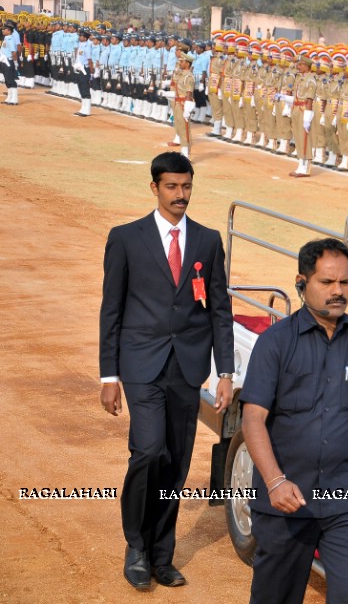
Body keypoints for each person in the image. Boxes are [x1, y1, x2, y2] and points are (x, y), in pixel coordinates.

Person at [99, 152, 235, 590]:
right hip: (141, 364)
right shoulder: (126, 238)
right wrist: (108, 376)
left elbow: (220, 310)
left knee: (175, 462)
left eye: (187, 186)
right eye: (172, 187)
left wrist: (226, 372)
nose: (181, 195)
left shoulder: (208, 240)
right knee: (149, 450)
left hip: (187, 368)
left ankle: (162, 554)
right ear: (154, 188)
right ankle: (135, 545)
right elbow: (111, 309)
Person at [240, 238, 348, 604]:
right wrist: (275, 482)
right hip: (286, 502)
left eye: (345, 282)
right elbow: (252, 419)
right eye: (327, 283)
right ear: (301, 282)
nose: (338, 291)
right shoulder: (275, 343)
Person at [167, 52, 196, 158]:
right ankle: (183, 152)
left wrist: (187, 110)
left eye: (182, 61)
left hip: (184, 104)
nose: (180, 63)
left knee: (185, 130)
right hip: (178, 103)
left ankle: (186, 155)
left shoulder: (189, 76)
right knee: (179, 128)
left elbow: (189, 93)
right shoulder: (182, 75)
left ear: (188, 64)